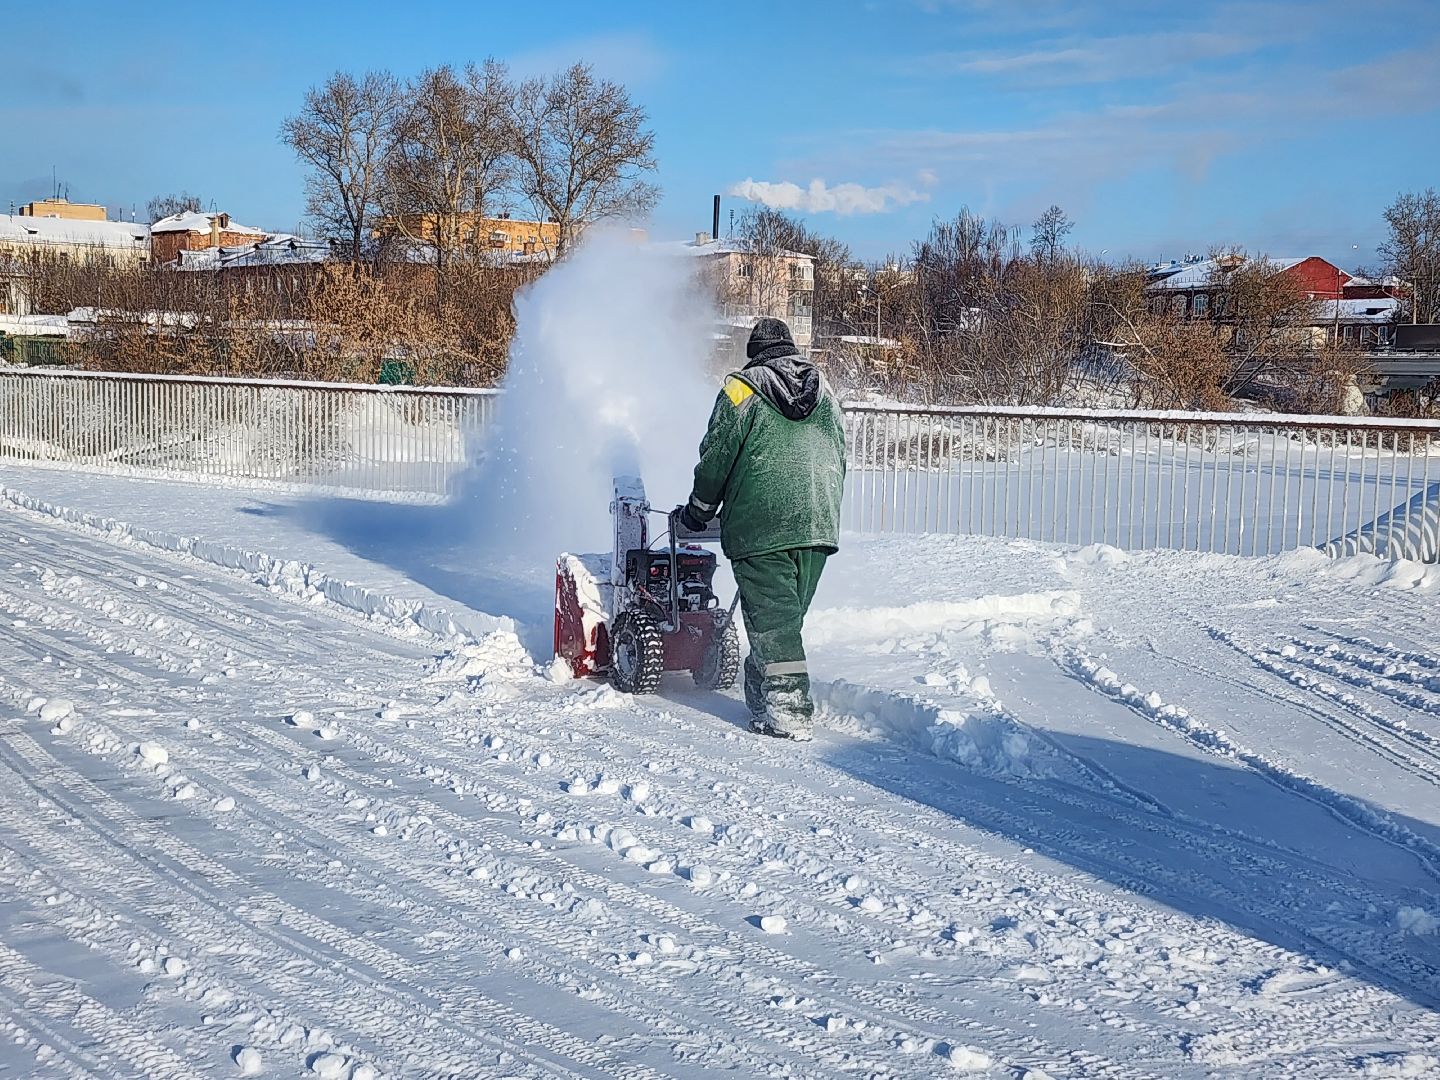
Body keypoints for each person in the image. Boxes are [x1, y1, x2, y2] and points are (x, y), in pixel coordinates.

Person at [679, 317, 846, 741]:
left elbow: (717, 455)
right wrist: (821, 502)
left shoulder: (742, 388)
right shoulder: (823, 388)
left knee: (774, 625)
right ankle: (760, 697)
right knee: (782, 621)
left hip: (761, 523)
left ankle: (790, 715)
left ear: (754, 353)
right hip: (817, 520)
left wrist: (697, 512)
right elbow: (840, 449)